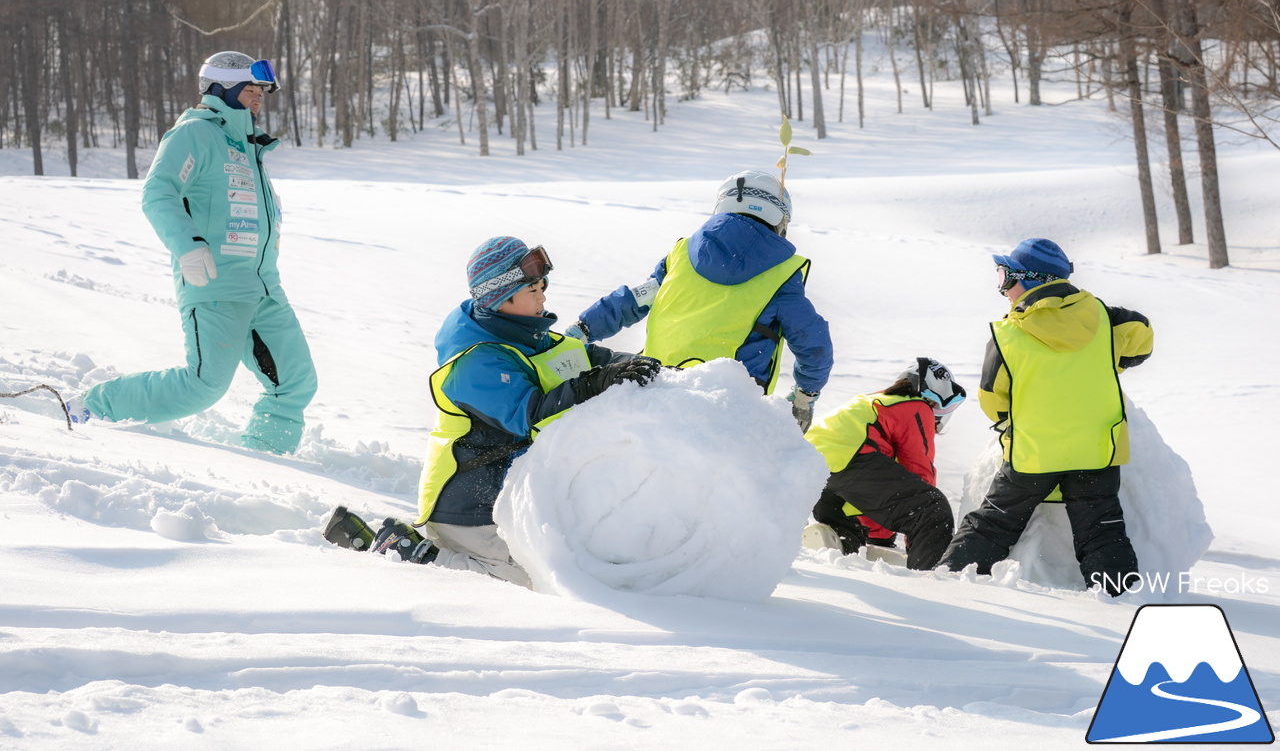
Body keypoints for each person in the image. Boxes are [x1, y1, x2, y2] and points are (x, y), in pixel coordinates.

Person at [325, 237, 661, 587]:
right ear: (502, 298)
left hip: (516, 492)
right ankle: (407, 552)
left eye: (543, 284)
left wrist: (639, 367)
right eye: (533, 288)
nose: (543, 294)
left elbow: (587, 360)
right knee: (525, 581)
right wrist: (594, 383)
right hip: (470, 504)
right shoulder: (474, 362)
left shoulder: (527, 334)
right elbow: (529, 416)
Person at [66, 51, 317, 455]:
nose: (259, 99)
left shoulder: (247, 147)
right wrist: (188, 245)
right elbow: (158, 190)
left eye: (261, 92)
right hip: (215, 285)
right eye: (251, 90)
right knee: (203, 386)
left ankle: (264, 457)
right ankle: (92, 407)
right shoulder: (195, 134)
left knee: (294, 381)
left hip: (264, 289)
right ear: (223, 89)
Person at [937, 238, 1154, 596]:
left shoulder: (1007, 334)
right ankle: (1121, 598)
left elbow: (993, 400)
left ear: (1031, 280)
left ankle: (949, 584)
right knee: (1102, 529)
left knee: (993, 524)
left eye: (1007, 278)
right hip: (1097, 451)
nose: (1004, 289)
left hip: (1033, 453)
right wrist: (1111, 359)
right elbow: (1142, 338)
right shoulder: (1104, 319)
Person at [565, 170, 832, 430]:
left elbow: (632, 301)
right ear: (780, 217)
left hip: (654, 387)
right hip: (727, 407)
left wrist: (583, 328)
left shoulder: (682, 254)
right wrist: (804, 397)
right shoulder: (781, 273)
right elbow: (813, 343)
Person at [802, 358, 964, 570]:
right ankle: (930, 584)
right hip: (851, 460)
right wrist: (915, 533)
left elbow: (879, 490)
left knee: (852, 534)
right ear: (932, 394)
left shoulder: (874, 402)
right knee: (932, 509)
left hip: (811, 469)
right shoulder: (916, 405)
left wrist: (880, 541)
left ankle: (838, 544)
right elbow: (918, 470)